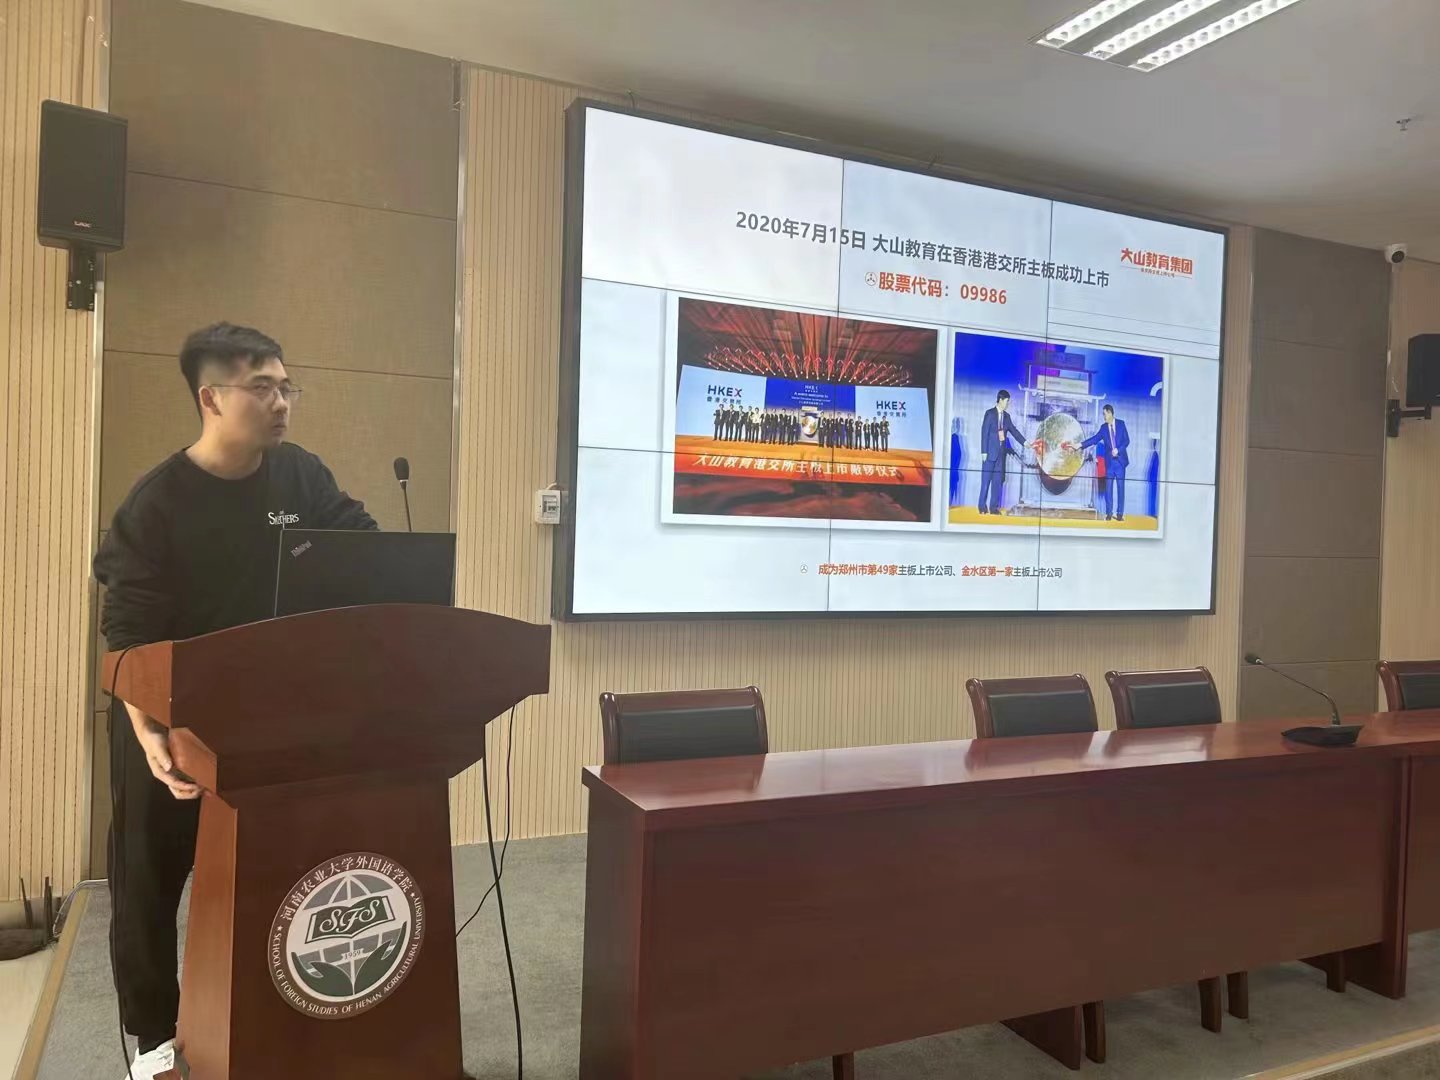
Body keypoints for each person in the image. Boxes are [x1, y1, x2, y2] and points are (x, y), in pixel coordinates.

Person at [94, 323, 377, 1080]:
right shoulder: (155, 504)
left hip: (270, 713)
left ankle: (273, 1006)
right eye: (262, 388)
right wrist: (149, 733)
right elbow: (125, 641)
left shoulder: (300, 475)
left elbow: (363, 546)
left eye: (286, 387)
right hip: (169, 716)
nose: (281, 402)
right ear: (211, 398)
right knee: (150, 883)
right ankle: (153, 1040)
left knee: (269, 870)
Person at [1069, 403, 1131, 521]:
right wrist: (1079, 445)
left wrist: (1118, 450)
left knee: (1120, 488)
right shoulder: (1103, 428)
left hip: (1120, 462)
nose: (1104, 416)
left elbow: (1127, 441)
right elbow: (1094, 439)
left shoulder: (1121, 424)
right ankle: (1109, 513)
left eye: (1104, 414)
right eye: (1103, 414)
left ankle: (1119, 514)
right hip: (1110, 463)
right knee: (1108, 489)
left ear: (1110, 413)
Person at [977, 390, 1027, 516]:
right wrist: (984, 451)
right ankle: (982, 507)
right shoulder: (989, 413)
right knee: (985, 481)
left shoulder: (1007, 417)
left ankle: (993, 508)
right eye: (1006, 401)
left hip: (1001, 455)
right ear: (1000, 400)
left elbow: (1014, 431)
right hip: (989, 454)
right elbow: (984, 433)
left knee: (997, 482)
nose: (1007, 404)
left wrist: (1025, 442)